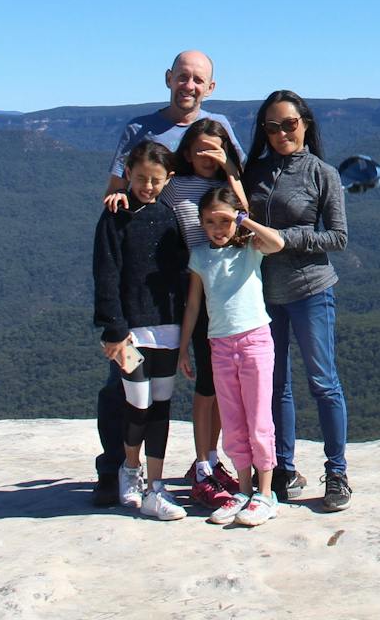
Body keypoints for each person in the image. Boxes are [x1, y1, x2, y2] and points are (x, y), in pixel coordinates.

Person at [91, 50, 245, 508]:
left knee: (197, 377)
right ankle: (114, 468)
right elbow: (117, 189)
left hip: (203, 280)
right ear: (168, 79)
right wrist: (116, 200)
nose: (189, 86)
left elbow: (238, 187)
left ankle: (199, 463)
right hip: (149, 287)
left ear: (210, 87)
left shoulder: (218, 127)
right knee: (122, 383)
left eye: (198, 80)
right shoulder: (139, 128)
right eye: (182, 77)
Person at [242, 89, 352, 510]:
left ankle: (337, 472)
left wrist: (285, 240)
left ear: (305, 123)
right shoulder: (254, 173)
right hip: (264, 294)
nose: (281, 132)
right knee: (275, 385)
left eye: (289, 123)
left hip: (310, 290)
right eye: (272, 126)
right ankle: (283, 469)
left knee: (323, 382)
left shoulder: (322, 173)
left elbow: (338, 238)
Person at [92, 141, 190, 520]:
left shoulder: (169, 216)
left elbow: (180, 273)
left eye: (155, 180)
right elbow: (106, 272)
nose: (147, 186)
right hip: (131, 331)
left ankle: (156, 484)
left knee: (161, 406)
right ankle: (129, 472)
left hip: (167, 326)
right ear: (127, 175)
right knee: (137, 403)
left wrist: (187, 327)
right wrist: (113, 329)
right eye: (140, 179)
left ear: (168, 179)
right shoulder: (115, 216)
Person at [179, 185, 285, 527]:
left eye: (223, 221)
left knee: (258, 419)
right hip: (220, 344)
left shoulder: (251, 248)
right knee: (234, 421)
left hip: (254, 340)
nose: (217, 228)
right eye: (209, 221)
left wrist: (243, 221)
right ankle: (243, 489)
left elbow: (278, 243)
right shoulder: (199, 256)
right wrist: (183, 347)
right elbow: (193, 304)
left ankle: (266, 493)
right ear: (200, 223)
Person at [162, 119, 250, 510]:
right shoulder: (175, 186)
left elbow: (244, 219)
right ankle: (202, 466)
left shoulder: (230, 184)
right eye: (200, 149)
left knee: (220, 384)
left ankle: (212, 459)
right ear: (186, 150)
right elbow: (148, 206)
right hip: (195, 287)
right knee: (206, 385)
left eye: (215, 149)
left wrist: (231, 172)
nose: (207, 157)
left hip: (228, 294)